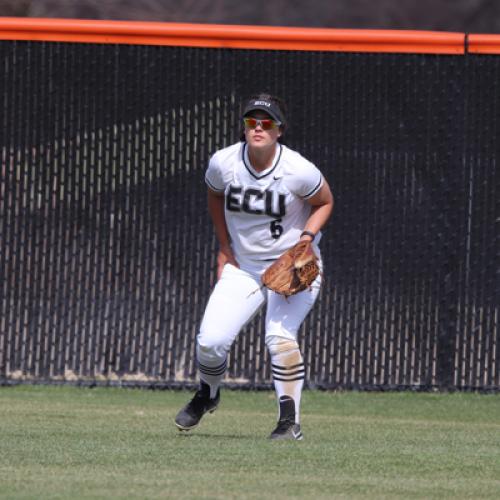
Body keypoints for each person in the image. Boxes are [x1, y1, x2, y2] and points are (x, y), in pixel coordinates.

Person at [175, 93, 334, 440]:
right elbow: (214, 194)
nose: (258, 127)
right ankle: (208, 394)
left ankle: (289, 422)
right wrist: (223, 246)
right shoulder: (224, 163)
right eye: (252, 121)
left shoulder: (298, 169)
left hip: (292, 263)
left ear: (279, 130)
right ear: (244, 127)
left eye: (266, 122)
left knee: (279, 336)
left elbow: (325, 201)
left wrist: (307, 237)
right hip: (244, 265)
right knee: (211, 342)